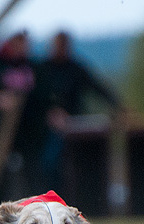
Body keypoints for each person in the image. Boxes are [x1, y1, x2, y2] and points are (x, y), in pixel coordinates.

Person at [38, 31, 123, 191]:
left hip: (74, 126)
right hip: (46, 130)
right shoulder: (41, 70)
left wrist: (118, 105)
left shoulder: (75, 68)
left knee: (85, 163)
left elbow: (97, 87)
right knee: (51, 164)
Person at [0, 31, 48, 202]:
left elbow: (44, 94)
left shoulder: (33, 66)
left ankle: (37, 205)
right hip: (1, 130)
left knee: (33, 170)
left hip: (28, 130)